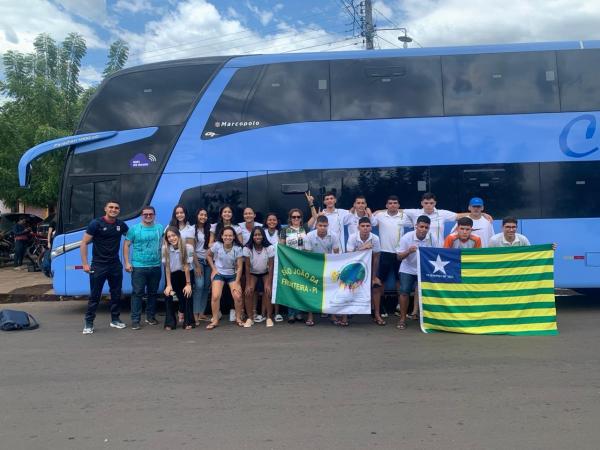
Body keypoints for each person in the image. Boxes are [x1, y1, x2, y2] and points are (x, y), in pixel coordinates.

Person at [80, 200, 129, 334]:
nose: (114, 209)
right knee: (95, 295)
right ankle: (89, 323)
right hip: (98, 265)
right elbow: (84, 243)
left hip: (115, 265)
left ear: (119, 211)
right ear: (105, 209)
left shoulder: (121, 225)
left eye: (116, 208)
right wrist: (85, 263)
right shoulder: (96, 223)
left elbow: (131, 238)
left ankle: (115, 320)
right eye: (111, 207)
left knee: (116, 294)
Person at [123, 206, 163, 330]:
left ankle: (150, 317)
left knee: (153, 293)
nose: (148, 216)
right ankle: (135, 320)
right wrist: (127, 263)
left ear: (154, 215)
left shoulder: (160, 228)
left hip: (156, 266)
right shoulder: (134, 229)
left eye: (151, 214)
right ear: (142, 215)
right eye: (145, 214)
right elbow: (126, 245)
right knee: (137, 293)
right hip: (138, 267)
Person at [372, 195, 412, 317]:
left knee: (400, 281)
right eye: (390, 203)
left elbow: (414, 224)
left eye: (395, 203)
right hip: (384, 252)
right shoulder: (380, 216)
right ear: (386, 205)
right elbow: (372, 221)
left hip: (400, 253)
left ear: (399, 205)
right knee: (380, 281)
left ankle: (400, 307)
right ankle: (381, 307)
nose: (393, 205)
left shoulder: (404, 217)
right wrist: (377, 211)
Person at [396, 215, 434, 330]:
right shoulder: (407, 237)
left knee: (427, 293)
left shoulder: (432, 238)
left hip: (424, 269)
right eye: (421, 226)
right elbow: (398, 257)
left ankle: (426, 319)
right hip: (407, 269)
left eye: (426, 227)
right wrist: (408, 251)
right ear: (416, 226)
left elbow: (437, 255)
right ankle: (402, 319)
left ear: (429, 228)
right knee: (404, 292)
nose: (423, 229)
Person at [346, 217, 384, 325]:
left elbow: (376, 258)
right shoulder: (353, 237)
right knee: (348, 286)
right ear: (358, 227)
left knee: (376, 287)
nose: (365, 228)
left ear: (371, 227)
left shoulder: (375, 238)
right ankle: (347, 313)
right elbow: (349, 256)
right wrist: (363, 248)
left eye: (368, 226)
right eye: (363, 226)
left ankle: (376, 314)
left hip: (370, 267)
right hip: (354, 268)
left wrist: (373, 277)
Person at [304, 215, 341, 326]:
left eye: (325, 226)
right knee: (311, 291)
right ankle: (310, 316)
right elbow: (308, 254)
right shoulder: (309, 236)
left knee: (331, 290)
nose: (322, 228)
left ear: (328, 226)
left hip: (329, 266)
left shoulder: (334, 236)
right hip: (313, 265)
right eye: (320, 225)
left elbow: (336, 253)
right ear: (316, 225)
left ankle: (332, 315)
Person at [206, 226, 244, 330]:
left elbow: (240, 267)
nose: (228, 237)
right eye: (226, 235)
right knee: (215, 296)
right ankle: (215, 320)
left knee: (238, 296)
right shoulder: (217, 245)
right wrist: (213, 269)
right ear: (222, 236)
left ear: (233, 237)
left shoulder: (238, 248)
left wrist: (237, 282)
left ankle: (238, 318)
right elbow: (208, 255)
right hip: (219, 274)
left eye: (230, 235)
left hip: (232, 274)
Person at [279, 208, 309, 323]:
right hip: (290, 263)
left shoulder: (305, 228)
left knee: (301, 288)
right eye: (293, 217)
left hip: (302, 263)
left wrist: (311, 204)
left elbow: (316, 218)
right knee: (291, 287)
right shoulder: (285, 230)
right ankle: (291, 314)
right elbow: (282, 246)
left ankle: (299, 313)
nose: (296, 219)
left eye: (298, 217)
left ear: (301, 218)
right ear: (290, 218)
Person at [162, 227, 194, 330]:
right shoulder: (165, 248)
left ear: (178, 235)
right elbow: (167, 267)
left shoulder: (188, 247)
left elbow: (186, 266)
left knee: (187, 294)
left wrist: (188, 284)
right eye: (169, 237)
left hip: (185, 274)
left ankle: (189, 321)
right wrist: (168, 285)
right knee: (168, 294)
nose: (171, 238)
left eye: (173, 235)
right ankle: (170, 322)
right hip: (172, 275)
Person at [243, 227, 275, 328]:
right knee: (249, 291)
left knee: (268, 290)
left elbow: (271, 266)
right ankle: (250, 318)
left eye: (259, 235)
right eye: (255, 235)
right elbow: (247, 267)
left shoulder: (269, 247)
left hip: (265, 272)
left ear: (263, 236)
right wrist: (248, 284)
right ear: (252, 236)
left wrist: (269, 283)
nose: (257, 237)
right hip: (252, 273)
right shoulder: (247, 248)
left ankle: (269, 317)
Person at [192, 208, 212, 325]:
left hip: (208, 261)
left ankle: (201, 314)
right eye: (201, 214)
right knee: (199, 286)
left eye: (205, 215)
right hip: (198, 261)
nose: (203, 217)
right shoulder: (192, 229)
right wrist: (197, 265)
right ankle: (195, 314)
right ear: (197, 215)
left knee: (206, 287)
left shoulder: (210, 229)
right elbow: (192, 249)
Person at [263, 213, 283, 322]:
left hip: (278, 263)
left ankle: (277, 313)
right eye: (269, 220)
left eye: (274, 220)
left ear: (277, 221)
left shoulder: (280, 233)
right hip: (264, 264)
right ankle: (265, 314)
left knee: (276, 288)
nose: (272, 222)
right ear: (266, 221)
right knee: (266, 289)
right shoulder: (263, 232)